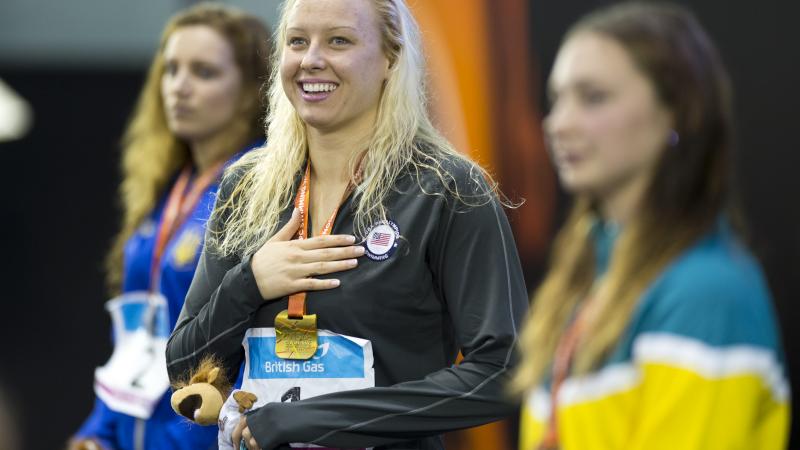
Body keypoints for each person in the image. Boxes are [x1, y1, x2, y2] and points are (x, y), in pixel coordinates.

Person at [165, 0, 529, 449]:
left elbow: (503, 373)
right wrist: (251, 282)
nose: (312, 59)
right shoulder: (247, 186)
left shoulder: (447, 190)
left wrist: (318, 419)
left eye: (339, 40)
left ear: (390, 59)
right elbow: (183, 364)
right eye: (297, 41)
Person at [510, 3, 789, 450]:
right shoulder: (581, 285)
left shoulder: (707, 293)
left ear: (676, 111)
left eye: (593, 97)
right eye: (556, 99)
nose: (558, 124)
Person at [70, 4, 272, 449]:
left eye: (203, 72)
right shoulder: (164, 193)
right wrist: (99, 431)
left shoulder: (263, 187)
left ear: (248, 91)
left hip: (202, 435)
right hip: (134, 432)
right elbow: (135, 339)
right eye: (171, 69)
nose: (179, 87)